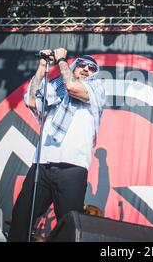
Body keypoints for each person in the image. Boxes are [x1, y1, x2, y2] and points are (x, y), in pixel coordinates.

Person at [8, 49, 106, 242]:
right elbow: (31, 100)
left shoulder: (96, 89)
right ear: (74, 67)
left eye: (91, 68)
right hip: (42, 165)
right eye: (82, 65)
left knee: (69, 227)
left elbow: (73, 87)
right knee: (21, 220)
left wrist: (61, 59)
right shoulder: (56, 90)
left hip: (72, 168)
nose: (86, 69)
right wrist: (43, 67)